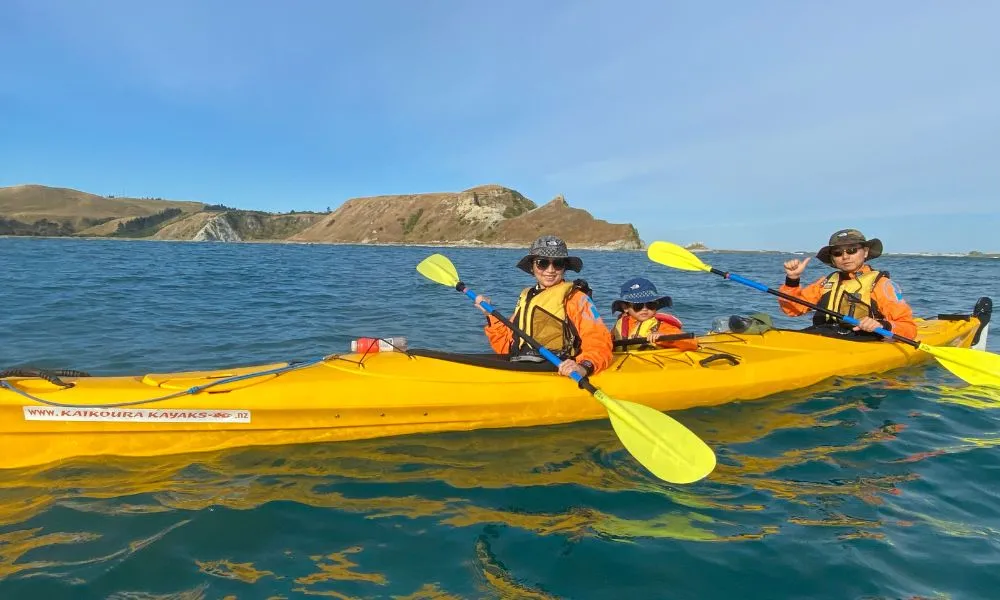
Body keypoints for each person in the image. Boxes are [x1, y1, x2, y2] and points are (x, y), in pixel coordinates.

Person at [474, 235, 613, 377]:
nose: (550, 270)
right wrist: (490, 315)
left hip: (558, 372)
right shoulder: (528, 297)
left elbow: (599, 341)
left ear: (564, 268)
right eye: (542, 263)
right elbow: (505, 347)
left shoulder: (576, 299)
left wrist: (584, 367)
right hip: (522, 367)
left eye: (558, 264)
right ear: (532, 267)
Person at [778, 228, 917, 339]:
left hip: (861, 340)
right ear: (832, 258)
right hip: (823, 336)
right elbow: (793, 310)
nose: (845, 256)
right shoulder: (826, 283)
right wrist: (792, 280)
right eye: (837, 253)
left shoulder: (881, 284)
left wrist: (882, 325)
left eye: (852, 250)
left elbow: (909, 328)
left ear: (865, 252)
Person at [610, 277, 698, 351]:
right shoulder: (619, 326)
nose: (645, 309)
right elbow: (607, 342)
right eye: (638, 306)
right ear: (625, 308)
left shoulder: (662, 326)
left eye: (650, 305)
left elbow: (692, 343)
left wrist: (665, 338)